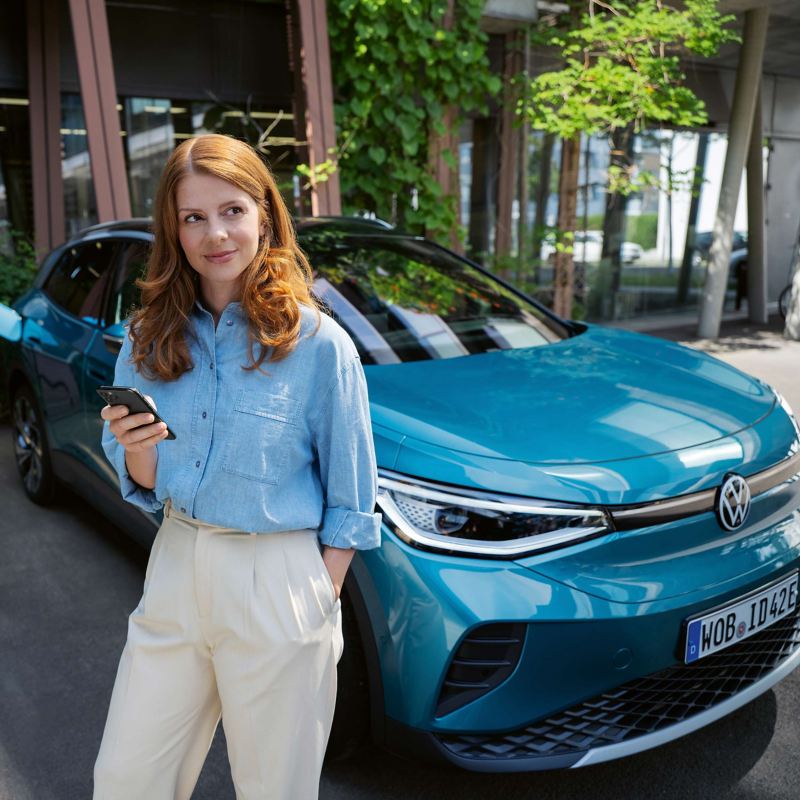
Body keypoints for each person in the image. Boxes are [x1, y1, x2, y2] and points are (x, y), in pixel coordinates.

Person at [93, 133, 382, 800]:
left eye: (230, 211)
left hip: (277, 576)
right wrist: (137, 445)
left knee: (274, 790)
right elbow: (140, 483)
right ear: (173, 230)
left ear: (264, 215)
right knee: (126, 780)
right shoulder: (146, 339)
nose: (214, 233)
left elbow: (352, 497)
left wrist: (315, 595)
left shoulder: (317, 344)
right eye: (193, 217)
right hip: (176, 561)